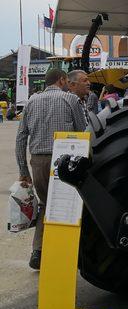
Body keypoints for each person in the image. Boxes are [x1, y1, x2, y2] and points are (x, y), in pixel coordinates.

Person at [15, 68, 86, 270]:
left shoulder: (30, 102)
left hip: (37, 162)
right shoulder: (69, 99)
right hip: (65, 160)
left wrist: (23, 169)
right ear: (62, 80)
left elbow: (21, 138)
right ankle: (70, 251)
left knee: (46, 204)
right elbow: (83, 132)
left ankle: (38, 251)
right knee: (70, 206)